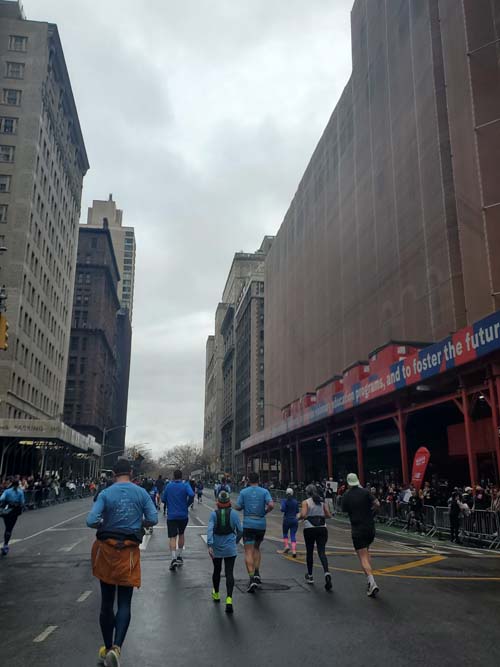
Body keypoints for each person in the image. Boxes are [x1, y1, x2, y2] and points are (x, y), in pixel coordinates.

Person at [86, 458, 158, 667]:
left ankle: (107, 647)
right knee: (125, 602)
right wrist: (138, 522)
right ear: (132, 473)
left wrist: (104, 523)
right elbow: (153, 518)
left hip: (106, 551)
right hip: (129, 553)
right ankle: (117, 648)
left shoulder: (106, 493)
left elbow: (91, 520)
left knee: (107, 602)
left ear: (113, 474)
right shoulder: (141, 493)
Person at [341, 472, 380, 598]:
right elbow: (377, 504)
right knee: (367, 552)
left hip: (358, 528)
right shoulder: (365, 492)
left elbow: (344, 510)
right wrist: (371, 512)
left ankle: (372, 581)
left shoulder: (346, 496)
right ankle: (369, 581)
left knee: (362, 557)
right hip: (370, 527)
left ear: (348, 483)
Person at [235, 471, 274, 593]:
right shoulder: (264, 491)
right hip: (261, 524)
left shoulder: (243, 492)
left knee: (248, 551)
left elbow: (237, 506)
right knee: (257, 548)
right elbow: (271, 505)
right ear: (259, 480)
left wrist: (242, 507)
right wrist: (265, 512)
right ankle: (257, 573)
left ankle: (251, 578)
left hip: (248, 524)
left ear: (248, 480)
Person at [207, 490, 242, 613]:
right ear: (229, 502)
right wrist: (236, 541)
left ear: (218, 502)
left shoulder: (213, 514)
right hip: (230, 548)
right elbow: (240, 530)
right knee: (229, 573)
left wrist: (210, 545)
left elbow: (210, 530)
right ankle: (229, 599)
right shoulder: (234, 514)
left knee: (217, 570)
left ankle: (216, 594)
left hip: (216, 547)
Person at [298, 484, 332, 590]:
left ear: (307, 492)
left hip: (310, 528)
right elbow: (329, 515)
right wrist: (320, 516)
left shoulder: (306, 502)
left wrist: (300, 517)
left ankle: (310, 575)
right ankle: (326, 572)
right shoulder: (322, 502)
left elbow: (303, 515)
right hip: (322, 528)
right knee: (322, 552)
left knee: (310, 551)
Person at [162, 469, 195, 571]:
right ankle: (179, 556)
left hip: (171, 515)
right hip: (183, 515)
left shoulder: (168, 486)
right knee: (181, 534)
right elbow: (192, 495)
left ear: (173, 476)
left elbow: (163, 499)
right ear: (181, 476)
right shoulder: (185, 485)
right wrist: (187, 504)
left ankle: (173, 558)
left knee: (172, 537)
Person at [0, 477, 25, 556]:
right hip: (15, 511)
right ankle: (6, 544)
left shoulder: (7, 491)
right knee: (9, 528)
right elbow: (22, 502)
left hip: (7, 510)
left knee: (7, 525)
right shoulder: (20, 492)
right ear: (18, 485)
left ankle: (5, 544)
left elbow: (2, 499)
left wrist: (6, 502)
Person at [280, 488, 299, 557]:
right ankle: (294, 550)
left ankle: (286, 546)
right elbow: (297, 511)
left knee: (285, 533)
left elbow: (282, 509)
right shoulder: (295, 502)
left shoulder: (284, 501)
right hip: (294, 519)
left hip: (286, 519)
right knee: (293, 535)